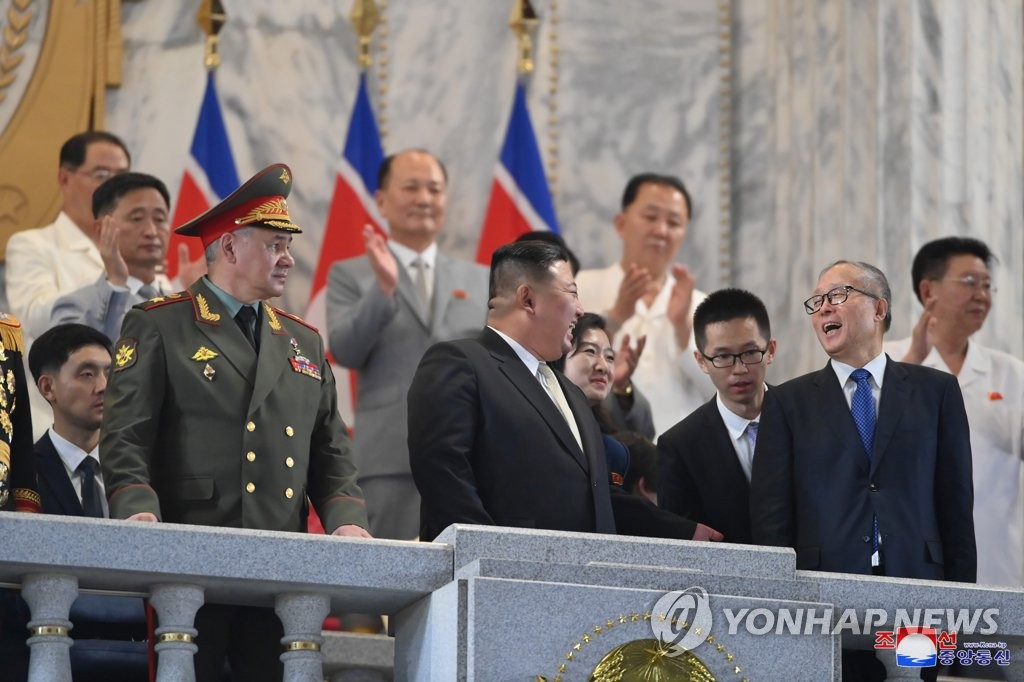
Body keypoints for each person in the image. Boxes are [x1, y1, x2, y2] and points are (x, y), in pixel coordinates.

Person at [100, 163, 370, 682]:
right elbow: (126, 433)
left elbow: (330, 449)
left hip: (278, 559)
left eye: (286, 246)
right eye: (274, 245)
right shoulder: (161, 323)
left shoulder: (303, 341)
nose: (288, 259)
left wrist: (346, 519)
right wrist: (135, 507)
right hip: (187, 548)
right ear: (228, 248)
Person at [750, 260, 976, 681]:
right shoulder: (788, 403)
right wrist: (778, 605)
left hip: (918, 587)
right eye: (816, 302)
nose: (822, 309)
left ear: (878, 309)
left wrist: (962, 612)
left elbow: (956, 507)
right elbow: (771, 519)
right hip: (821, 599)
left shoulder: (936, 392)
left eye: (837, 295)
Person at [407, 240, 721, 543]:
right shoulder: (461, 363)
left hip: (581, 579)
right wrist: (486, 554)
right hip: (500, 577)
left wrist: (683, 532)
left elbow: (597, 495)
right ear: (528, 299)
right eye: (572, 293)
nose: (581, 310)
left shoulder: (569, 392)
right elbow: (443, 471)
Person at [327, 149, 489, 540]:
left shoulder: (483, 277)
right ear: (381, 199)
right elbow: (345, 350)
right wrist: (383, 291)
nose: (424, 198)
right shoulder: (350, 273)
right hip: (388, 457)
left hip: (470, 459)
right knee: (383, 589)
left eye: (434, 189)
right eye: (411, 187)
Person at [885, 237, 1023, 588]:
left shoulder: (1009, 372)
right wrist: (914, 359)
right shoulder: (889, 360)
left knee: (991, 647)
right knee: (921, 645)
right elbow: (868, 437)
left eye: (988, 286)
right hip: (910, 562)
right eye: (970, 283)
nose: (982, 295)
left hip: (997, 564)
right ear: (928, 290)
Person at [27, 323, 148, 681]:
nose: (104, 387)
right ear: (48, 387)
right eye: (86, 373)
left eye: (110, 373)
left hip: (138, 649)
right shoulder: (21, 478)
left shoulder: (142, 477)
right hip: (48, 646)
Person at [556, 311, 718, 540]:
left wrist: (623, 389)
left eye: (609, 357)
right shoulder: (553, 427)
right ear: (559, 356)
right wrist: (681, 530)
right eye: (590, 351)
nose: (603, 366)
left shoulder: (602, 428)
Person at [575, 173, 712, 436]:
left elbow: (725, 390)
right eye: (650, 217)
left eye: (674, 222)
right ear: (621, 223)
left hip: (682, 458)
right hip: (602, 451)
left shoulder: (701, 304)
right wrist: (614, 318)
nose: (661, 231)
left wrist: (684, 331)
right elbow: (560, 372)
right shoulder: (581, 287)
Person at [658, 289, 776, 544]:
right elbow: (681, 542)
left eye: (750, 353)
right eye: (723, 357)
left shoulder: (804, 417)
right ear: (701, 361)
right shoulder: (680, 446)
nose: (739, 369)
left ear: (771, 350)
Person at [519, 231, 654, 440]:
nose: (577, 309)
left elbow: (641, 431)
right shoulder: (482, 358)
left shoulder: (572, 366)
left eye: (573, 292)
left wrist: (620, 388)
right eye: (563, 291)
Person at [51, 172, 174, 340]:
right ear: (101, 230)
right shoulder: (74, 306)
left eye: (160, 219)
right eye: (137, 218)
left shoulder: (186, 305)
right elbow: (95, 360)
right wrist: (116, 284)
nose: (151, 231)